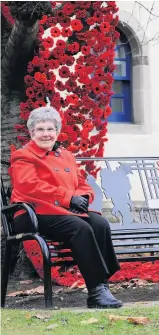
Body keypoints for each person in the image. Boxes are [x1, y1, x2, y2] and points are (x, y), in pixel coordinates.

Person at [9, 106, 122, 309]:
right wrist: (68, 198)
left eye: (50, 129)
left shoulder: (66, 155)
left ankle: (103, 284)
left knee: (100, 224)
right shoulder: (23, 156)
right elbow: (30, 185)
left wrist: (83, 196)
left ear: (57, 131)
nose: (46, 134)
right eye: (40, 129)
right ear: (32, 132)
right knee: (80, 227)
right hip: (32, 212)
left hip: (61, 210)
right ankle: (96, 291)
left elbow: (81, 182)